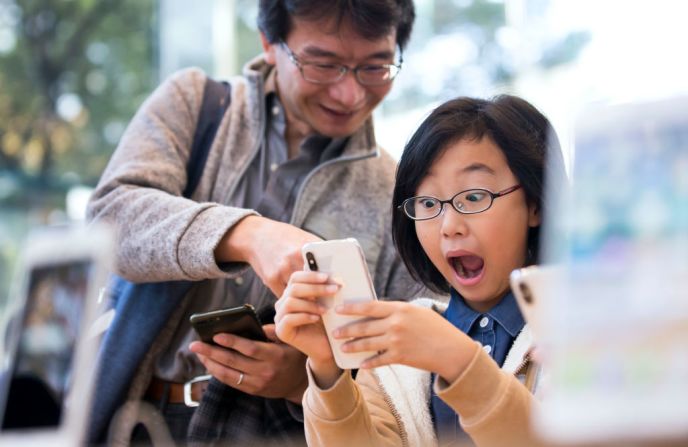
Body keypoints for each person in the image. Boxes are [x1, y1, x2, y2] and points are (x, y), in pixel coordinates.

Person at [85, 0, 430, 445]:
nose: (350, 94)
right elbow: (109, 221)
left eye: (375, 68)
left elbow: (408, 377)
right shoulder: (196, 104)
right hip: (137, 417)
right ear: (269, 43)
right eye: (323, 65)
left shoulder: (394, 191)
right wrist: (248, 235)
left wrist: (307, 380)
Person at [275, 95, 566, 446]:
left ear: (534, 203)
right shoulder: (396, 355)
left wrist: (458, 359)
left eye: (473, 197)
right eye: (428, 203)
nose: (449, 225)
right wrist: (327, 367)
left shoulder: (586, 329)